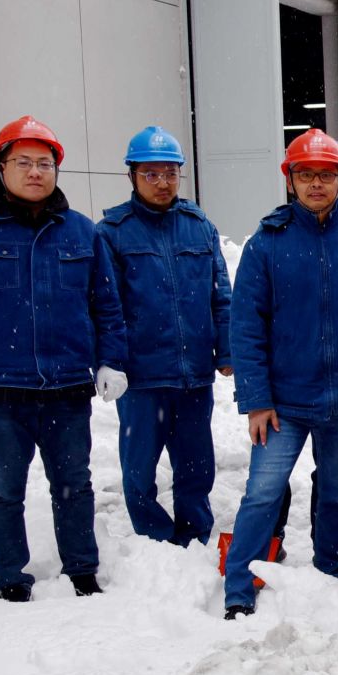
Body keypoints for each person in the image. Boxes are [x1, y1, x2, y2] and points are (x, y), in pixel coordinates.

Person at [0, 115, 129, 602]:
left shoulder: (81, 232)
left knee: (74, 485)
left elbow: (107, 306)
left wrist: (111, 360)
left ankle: (82, 567)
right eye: (23, 162)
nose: (35, 172)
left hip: (66, 389)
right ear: (0, 166)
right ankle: (10, 576)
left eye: (45, 163)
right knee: (2, 489)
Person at [221, 128, 338, 620]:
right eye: (306, 174)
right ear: (290, 180)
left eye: (327, 175)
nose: (316, 184)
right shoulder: (266, 245)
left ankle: (329, 569)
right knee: (262, 493)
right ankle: (241, 584)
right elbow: (246, 328)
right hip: (282, 405)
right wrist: (256, 399)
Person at [94, 125, 232, 547]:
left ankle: (194, 532)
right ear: (132, 176)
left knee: (197, 464)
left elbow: (220, 295)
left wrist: (225, 350)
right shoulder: (112, 232)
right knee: (139, 465)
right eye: (151, 174)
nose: (162, 183)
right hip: (141, 376)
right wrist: (110, 362)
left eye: (170, 173)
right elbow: (105, 304)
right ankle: (152, 535)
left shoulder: (198, 226)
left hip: (193, 373)